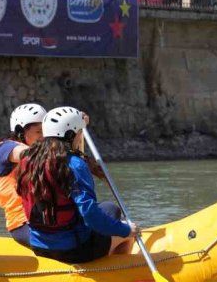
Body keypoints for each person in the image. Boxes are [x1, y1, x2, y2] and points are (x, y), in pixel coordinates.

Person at [15, 106, 139, 264]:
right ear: (70, 135)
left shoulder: (29, 160)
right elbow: (89, 214)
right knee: (126, 236)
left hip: (39, 247)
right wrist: (126, 230)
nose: (81, 137)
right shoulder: (74, 164)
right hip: (73, 251)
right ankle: (116, 274)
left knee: (110, 208)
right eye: (80, 133)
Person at [0, 103, 47, 248]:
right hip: (22, 223)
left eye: (46, 131)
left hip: (46, 218)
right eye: (39, 132)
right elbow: (25, 153)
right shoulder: (4, 149)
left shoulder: (43, 154)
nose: (44, 137)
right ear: (20, 132)